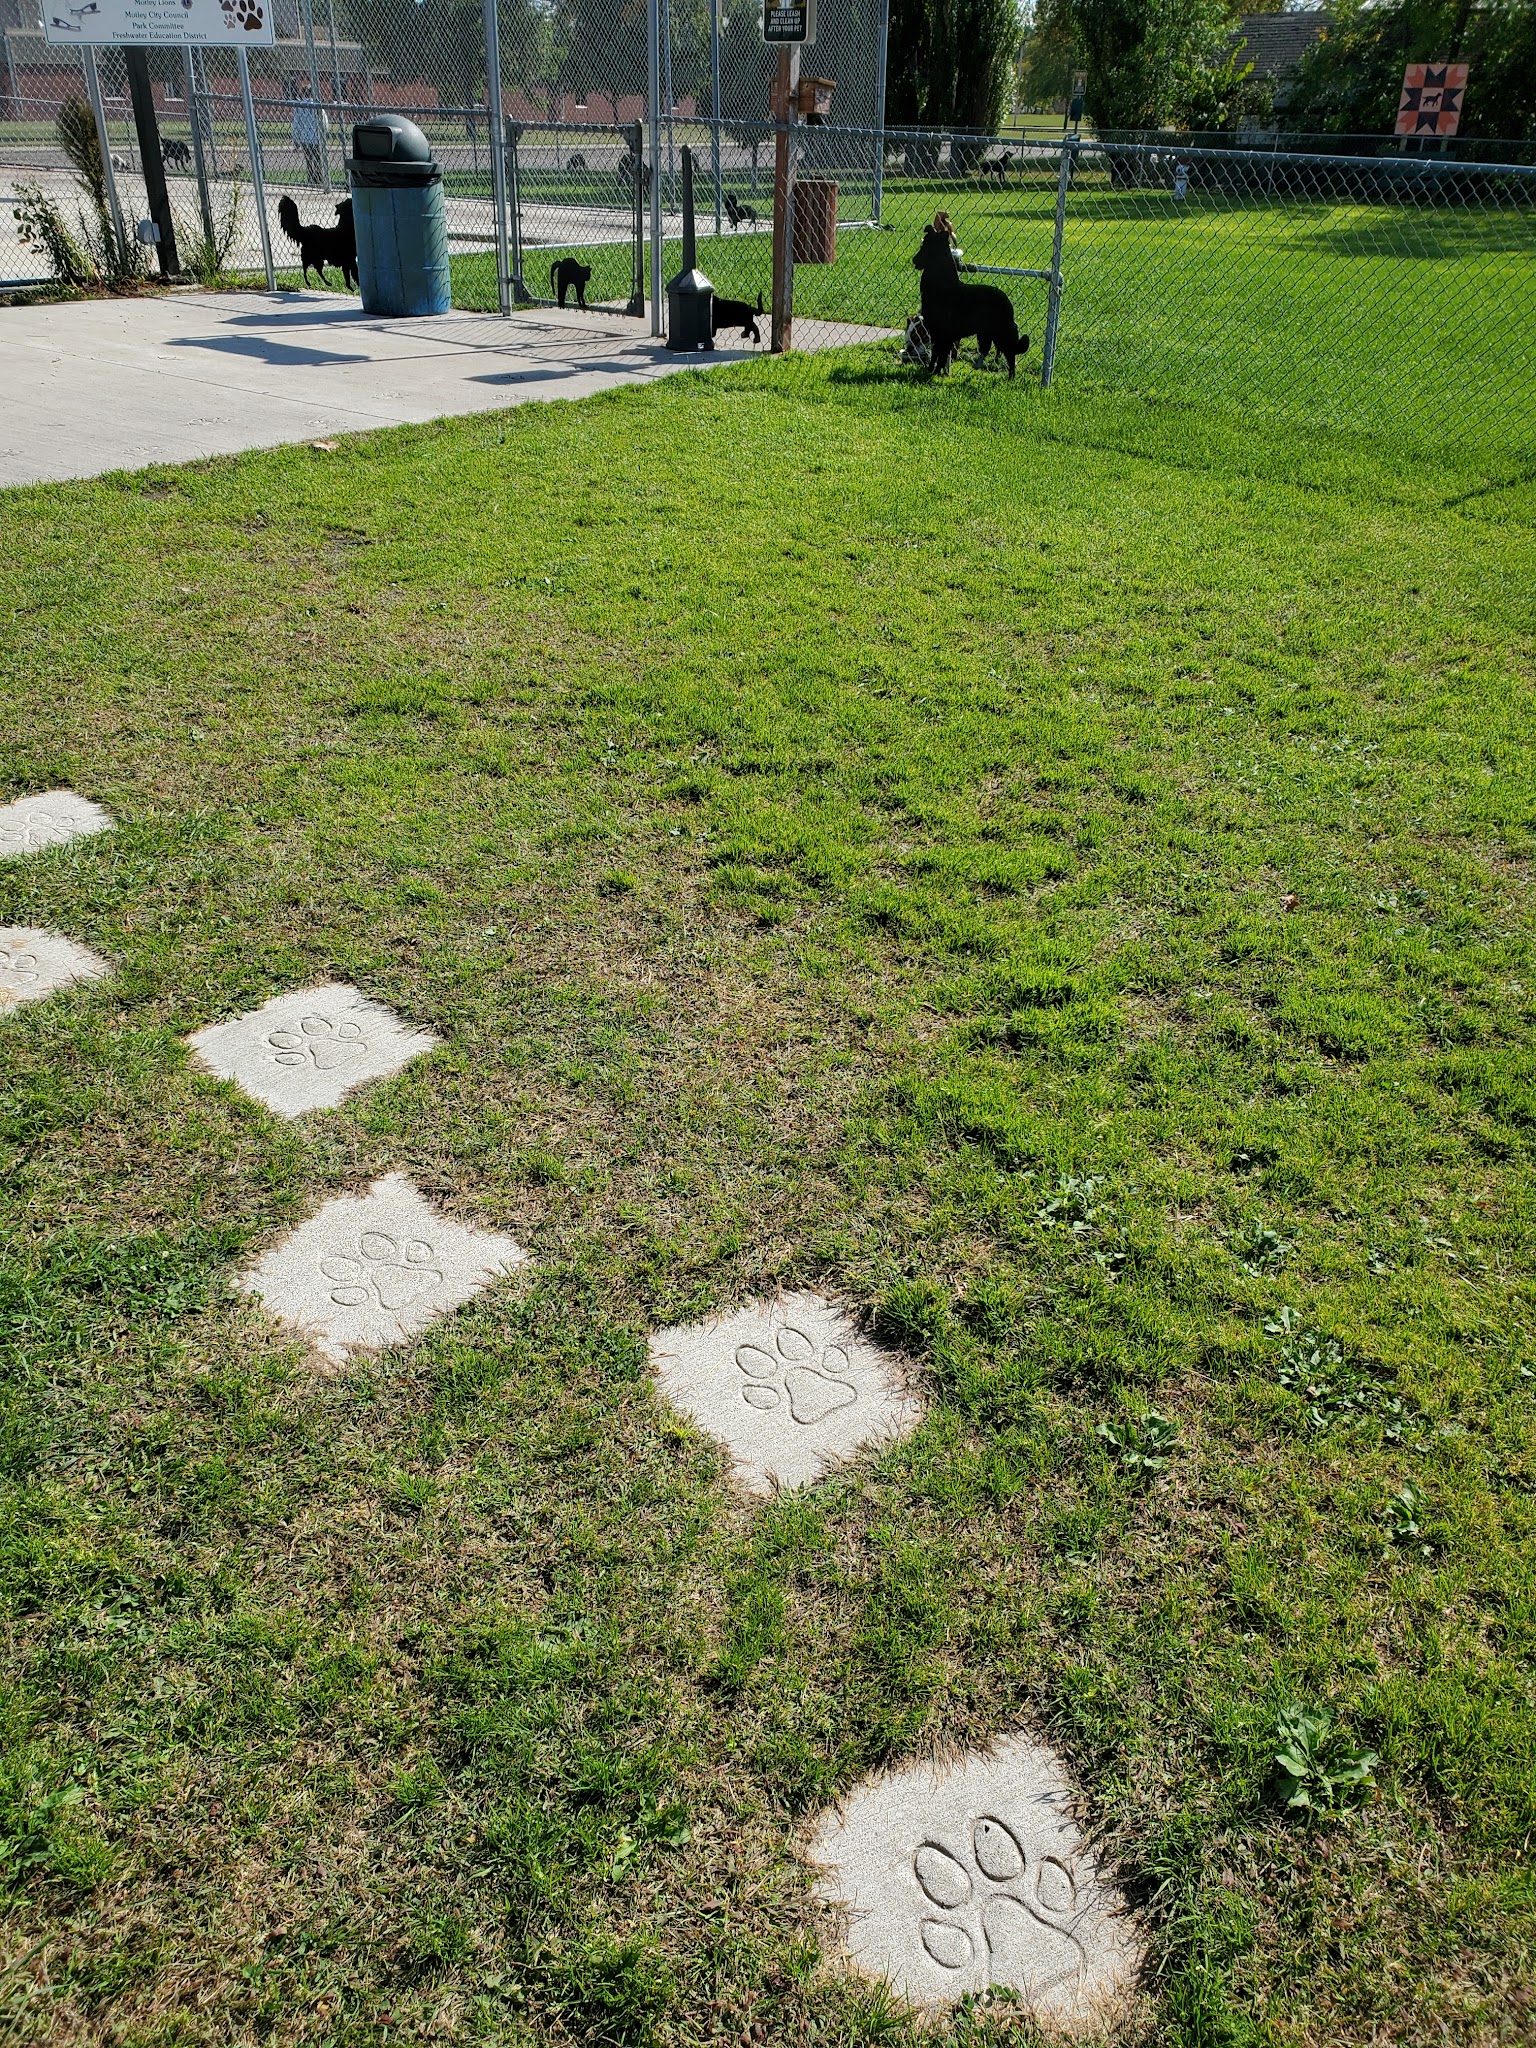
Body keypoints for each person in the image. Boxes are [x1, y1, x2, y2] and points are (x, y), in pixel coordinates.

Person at [289, 80, 329, 188]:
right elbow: (324, 121)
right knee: (318, 158)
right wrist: (324, 133)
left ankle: (311, 178)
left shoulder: (299, 106)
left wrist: (296, 140)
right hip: (316, 137)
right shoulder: (317, 105)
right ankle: (319, 178)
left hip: (305, 138)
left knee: (309, 159)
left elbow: (296, 124)